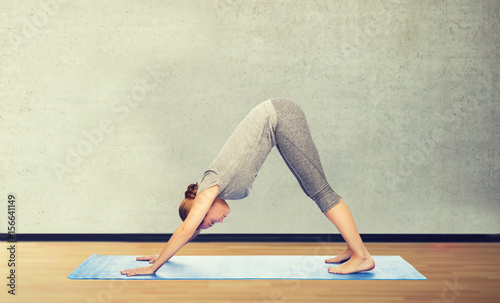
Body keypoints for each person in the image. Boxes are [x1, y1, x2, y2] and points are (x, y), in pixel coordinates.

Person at [121, 98, 375, 277]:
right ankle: (354, 249)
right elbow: (192, 230)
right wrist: (165, 255)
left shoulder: (209, 186)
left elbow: (187, 228)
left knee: (321, 192)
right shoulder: (212, 192)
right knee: (314, 191)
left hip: (279, 115)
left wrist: (154, 268)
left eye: (209, 222)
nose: (217, 223)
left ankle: (362, 257)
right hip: (277, 121)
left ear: (201, 206)